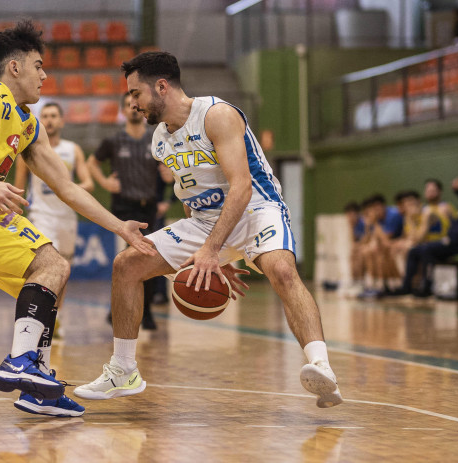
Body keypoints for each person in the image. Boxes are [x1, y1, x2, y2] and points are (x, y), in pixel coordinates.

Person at [74, 51, 343, 408]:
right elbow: (191, 194)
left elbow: (242, 187)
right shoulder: (160, 140)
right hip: (205, 221)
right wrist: (222, 253)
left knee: (281, 270)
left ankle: (321, 367)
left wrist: (213, 249)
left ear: (162, 87)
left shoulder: (218, 116)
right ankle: (123, 370)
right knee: (126, 265)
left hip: (256, 209)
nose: (133, 103)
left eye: (136, 93)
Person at [0, 21, 155, 417]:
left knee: (55, 274)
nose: (45, 75)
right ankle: (19, 362)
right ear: (14, 68)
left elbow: (68, 187)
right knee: (51, 264)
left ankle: (36, 385)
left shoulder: (28, 124)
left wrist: (119, 226)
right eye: (38, 66)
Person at [88, 92, 171, 330]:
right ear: (123, 111)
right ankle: (119, 308)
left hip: (150, 207)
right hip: (124, 208)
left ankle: (146, 313)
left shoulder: (154, 140)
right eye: (128, 106)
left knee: (153, 259)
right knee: (127, 260)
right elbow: (92, 163)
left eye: (136, 105)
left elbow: (168, 168)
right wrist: (104, 182)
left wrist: (168, 175)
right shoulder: (113, 141)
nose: (133, 109)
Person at [13, 102, 93, 342]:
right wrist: (15, 213)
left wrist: (68, 189)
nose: (49, 120)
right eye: (44, 116)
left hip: (66, 218)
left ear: (61, 121)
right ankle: (34, 320)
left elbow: (88, 183)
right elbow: (18, 187)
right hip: (40, 216)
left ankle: (54, 319)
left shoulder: (73, 149)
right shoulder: (29, 150)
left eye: (53, 116)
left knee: (63, 272)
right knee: (46, 266)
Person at [387, 174, 458, 298]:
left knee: (427, 250)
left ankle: (426, 286)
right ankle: (406, 287)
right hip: (453, 242)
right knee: (414, 251)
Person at [357, 194, 404, 298]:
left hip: (398, 241)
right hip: (388, 243)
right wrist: (368, 227)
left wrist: (374, 224)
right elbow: (368, 240)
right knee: (367, 251)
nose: (373, 212)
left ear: (380, 206)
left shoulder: (393, 215)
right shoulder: (376, 219)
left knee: (381, 251)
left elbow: (386, 240)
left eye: (374, 209)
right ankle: (372, 284)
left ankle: (388, 285)